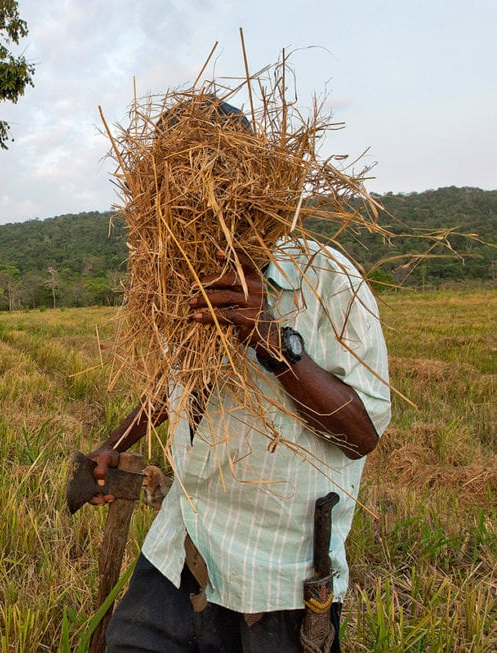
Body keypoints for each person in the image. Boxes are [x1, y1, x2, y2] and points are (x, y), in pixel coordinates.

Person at [90, 99, 392, 652]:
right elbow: (173, 385)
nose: (192, 194)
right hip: (180, 549)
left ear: (254, 175)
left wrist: (271, 339)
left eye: (209, 173)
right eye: (172, 180)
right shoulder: (178, 277)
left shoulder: (329, 281)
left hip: (277, 580)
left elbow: (362, 433)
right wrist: (111, 444)